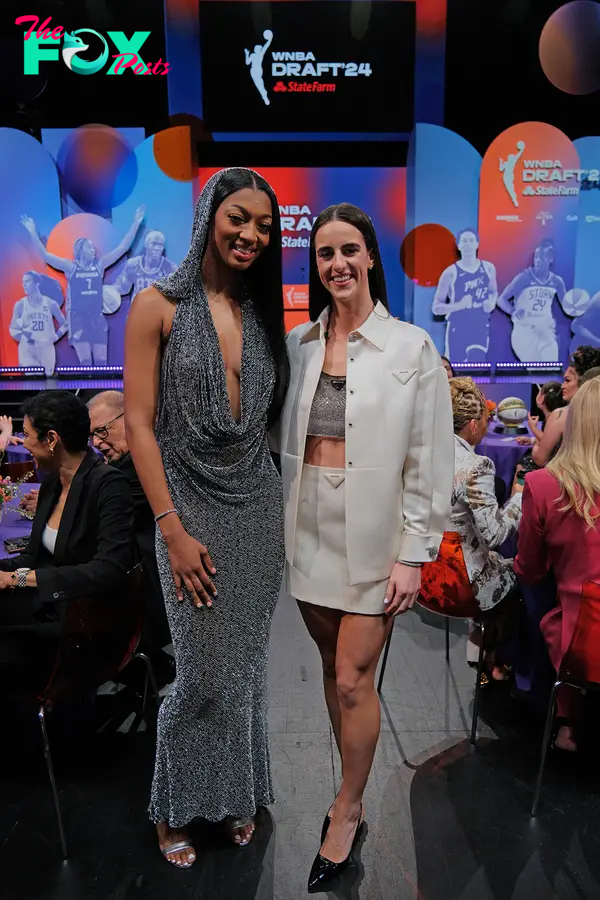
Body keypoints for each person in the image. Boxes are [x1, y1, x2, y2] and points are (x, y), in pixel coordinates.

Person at [279, 202, 454, 892]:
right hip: (308, 531)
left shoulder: (411, 347)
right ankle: (347, 782)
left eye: (350, 250)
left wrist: (415, 552)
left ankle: (346, 810)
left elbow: (429, 456)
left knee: (354, 678)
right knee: (332, 669)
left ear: (372, 257)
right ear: (315, 266)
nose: (338, 264)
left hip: (376, 534)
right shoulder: (297, 344)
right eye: (325, 254)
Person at [124, 168, 289, 868]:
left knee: (244, 669)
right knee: (198, 674)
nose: (251, 234)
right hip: (185, 511)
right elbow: (136, 423)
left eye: (264, 225)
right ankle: (172, 809)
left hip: (258, 509)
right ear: (208, 216)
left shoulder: (260, 311)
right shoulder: (157, 306)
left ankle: (234, 796)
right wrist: (172, 528)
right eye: (239, 218)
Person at [0, 391, 134, 688]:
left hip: (87, 623)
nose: (24, 445)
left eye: (28, 436)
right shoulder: (52, 483)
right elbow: (34, 557)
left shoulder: (109, 486)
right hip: (52, 608)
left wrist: (16, 580)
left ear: (51, 439)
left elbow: (108, 569)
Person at [515, 379, 600, 752]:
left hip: (583, 643)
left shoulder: (542, 485)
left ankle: (562, 717)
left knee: (533, 594)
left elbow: (529, 570)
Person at [87, 390, 173, 680]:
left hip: (154, 583)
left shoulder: (139, 462)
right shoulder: (124, 462)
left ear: (129, 417)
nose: (97, 443)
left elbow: (103, 509)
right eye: (92, 436)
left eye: (102, 431)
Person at [448, 378, 523, 677]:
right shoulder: (476, 465)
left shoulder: (421, 455)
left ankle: (479, 648)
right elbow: (495, 535)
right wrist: (518, 499)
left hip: (425, 580)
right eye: (485, 420)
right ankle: (497, 662)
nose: (487, 426)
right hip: (463, 587)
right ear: (472, 424)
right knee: (525, 575)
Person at [21, 207, 145, 365]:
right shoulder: (70, 267)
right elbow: (45, 255)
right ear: (80, 250)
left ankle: (102, 390)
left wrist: (136, 222)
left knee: (102, 364)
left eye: (93, 248)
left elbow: (122, 248)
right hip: (78, 319)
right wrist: (32, 232)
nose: (93, 251)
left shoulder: (99, 266)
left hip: (96, 318)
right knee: (86, 363)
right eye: (89, 248)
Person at [432, 229, 497, 362]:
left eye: (471, 240)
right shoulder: (450, 272)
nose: (468, 244)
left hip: (480, 326)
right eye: (464, 241)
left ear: (477, 244)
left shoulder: (488, 268)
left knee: (477, 366)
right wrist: (460, 305)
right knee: (457, 373)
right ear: (459, 245)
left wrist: (491, 303)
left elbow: (493, 292)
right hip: (458, 329)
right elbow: (436, 308)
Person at [497, 239, 566, 363]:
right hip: (525, 331)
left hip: (546, 332)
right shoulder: (524, 278)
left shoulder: (557, 281)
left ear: (550, 259)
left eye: (542, 258)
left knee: (550, 370)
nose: (538, 261)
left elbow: (567, 306)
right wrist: (512, 310)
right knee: (536, 371)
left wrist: (578, 305)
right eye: (536, 257)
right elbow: (501, 299)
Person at [532, 345, 600, 467]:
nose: (562, 386)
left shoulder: (562, 415)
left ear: (584, 383)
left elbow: (540, 459)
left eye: (568, 380)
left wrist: (537, 442)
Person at [9, 272, 67, 375]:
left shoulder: (50, 303)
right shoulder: (20, 305)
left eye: (27, 281)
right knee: (33, 380)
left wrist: (56, 336)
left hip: (46, 348)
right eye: (23, 282)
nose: (24, 285)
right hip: (28, 349)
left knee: (48, 381)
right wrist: (23, 336)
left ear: (37, 284)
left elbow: (65, 324)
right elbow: (13, 328)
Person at [116, 231, 177, 300]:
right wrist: (109, 291)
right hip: (137, 308)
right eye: (153, 244)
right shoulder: (133, 264)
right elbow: (124, 289)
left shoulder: (170, 268)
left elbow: (174, 296)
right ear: (146, 244)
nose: (157, 248)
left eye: (160, 245)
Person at [516, 381, 568, 448]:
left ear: (541, 399)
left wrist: (533, 427)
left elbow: (548, 442)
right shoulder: (559, 417)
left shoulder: (554, 421)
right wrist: (531, 440)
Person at [245, 30, 273, 106]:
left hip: (258, 71)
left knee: (260, 83)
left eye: (258, 48)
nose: (256, 48)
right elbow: (247, 62)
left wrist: (270, 40)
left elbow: (265, 47)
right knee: (258, 83)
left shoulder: (260, 54)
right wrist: (246, 54)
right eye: (256, 47)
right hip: (253, 71)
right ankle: (264, 95)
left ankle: (264, 95)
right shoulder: (253, 55)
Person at [499, 140, 525, 208]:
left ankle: (514, 199)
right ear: (509, 158)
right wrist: (500, 162)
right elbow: (500, 169)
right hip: (505, 177)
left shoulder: (512, 162)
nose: (511, 158)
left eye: (511, 157)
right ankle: (514, 199)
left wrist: (522, 150)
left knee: (511, 188)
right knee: (509, 188)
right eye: (510, 157)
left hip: (510, 176)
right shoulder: (506, 163)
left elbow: (518, 156)